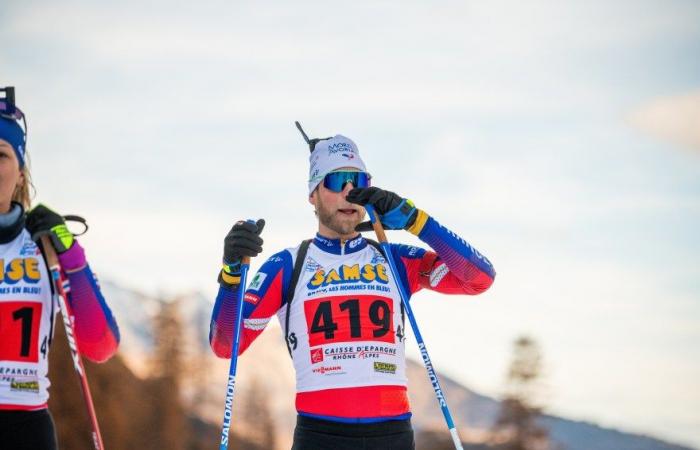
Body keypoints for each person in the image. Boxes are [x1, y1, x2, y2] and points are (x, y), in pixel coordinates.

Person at [210, 130, 495, 450]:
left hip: (393, 436)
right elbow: (225, 345)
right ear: (313, 195)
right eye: (336, 181)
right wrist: (231, 272)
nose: (349, 191)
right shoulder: (288, 265)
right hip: (320, 437)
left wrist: (416, 220)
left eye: (358, 182)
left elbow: (479, 279)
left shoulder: (395, 259)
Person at [0, 88, 120, 450]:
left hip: (25, 428)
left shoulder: (43, 247)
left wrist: (71, 253)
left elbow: (101, 345)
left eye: (0, 154)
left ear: (21, 173)